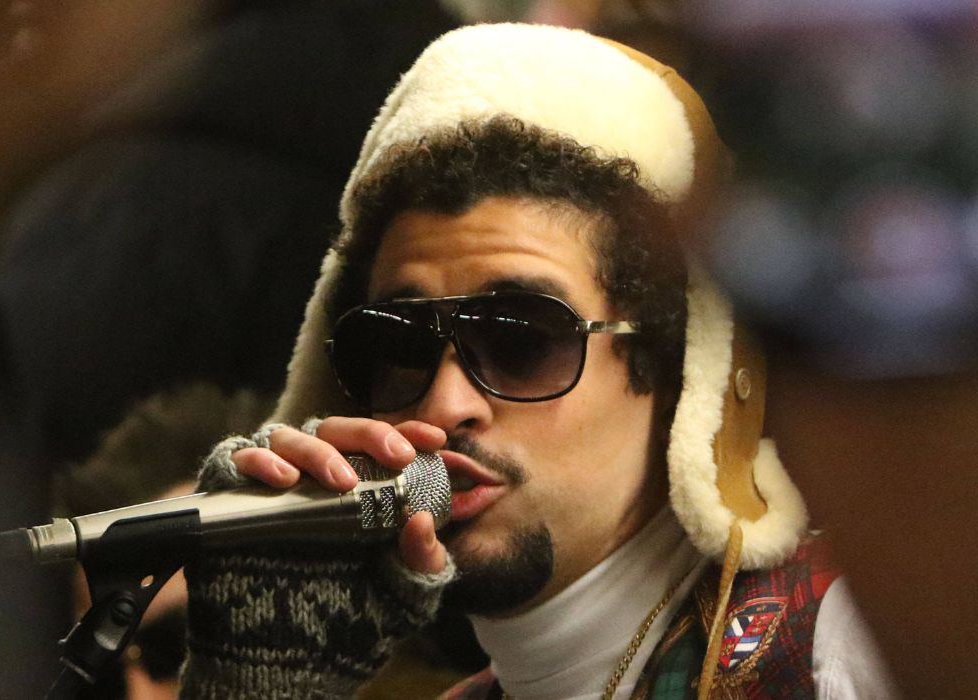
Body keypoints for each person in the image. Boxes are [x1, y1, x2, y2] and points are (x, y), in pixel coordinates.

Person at [176, 24, 896, 699]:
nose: (444, 405)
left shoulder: (854, 648)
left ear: (677, 366)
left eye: (521, 340)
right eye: (397, 344)